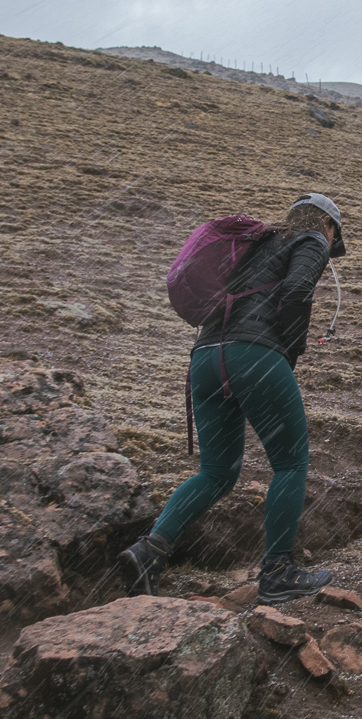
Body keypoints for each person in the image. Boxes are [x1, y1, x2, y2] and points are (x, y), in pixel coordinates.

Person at [119, 195, 345, 600]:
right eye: (334, 235)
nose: (330, 244)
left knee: (217, 472)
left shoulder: (257, 241)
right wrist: (288, 352)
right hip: (253, 354)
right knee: (291, 462)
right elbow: (296, 292)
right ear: (328, 225)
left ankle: (150, 550)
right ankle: (278, 572)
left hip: (205, 356)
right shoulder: (311, 240)